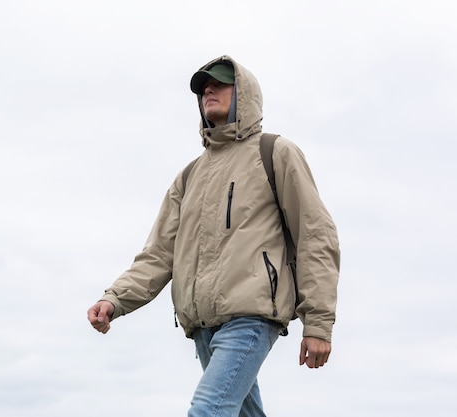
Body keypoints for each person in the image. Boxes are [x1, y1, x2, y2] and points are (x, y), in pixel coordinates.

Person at [87, 55, 340, 417]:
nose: (209, 89)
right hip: (202, 328)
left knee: (207, 411)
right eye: (204, 86)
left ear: (244, 93)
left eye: (220, 82)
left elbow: (316, 235)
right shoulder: (188, 177)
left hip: (251, 318)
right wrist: (115, 299)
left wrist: (318, 323)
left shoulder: (275, 153)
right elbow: (158, 255)